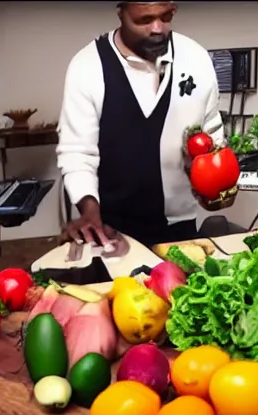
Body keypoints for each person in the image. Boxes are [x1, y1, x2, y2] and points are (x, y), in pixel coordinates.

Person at [57, 1, 232, 249]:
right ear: (121, 13)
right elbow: (77, 152)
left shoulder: (196, 59)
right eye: (144, 20)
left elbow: (212, 138)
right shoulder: (87, 67)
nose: (158, 28)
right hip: (111, 230)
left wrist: (215, 188)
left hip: (180, 227)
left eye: (166, 16)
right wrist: (88, 208)